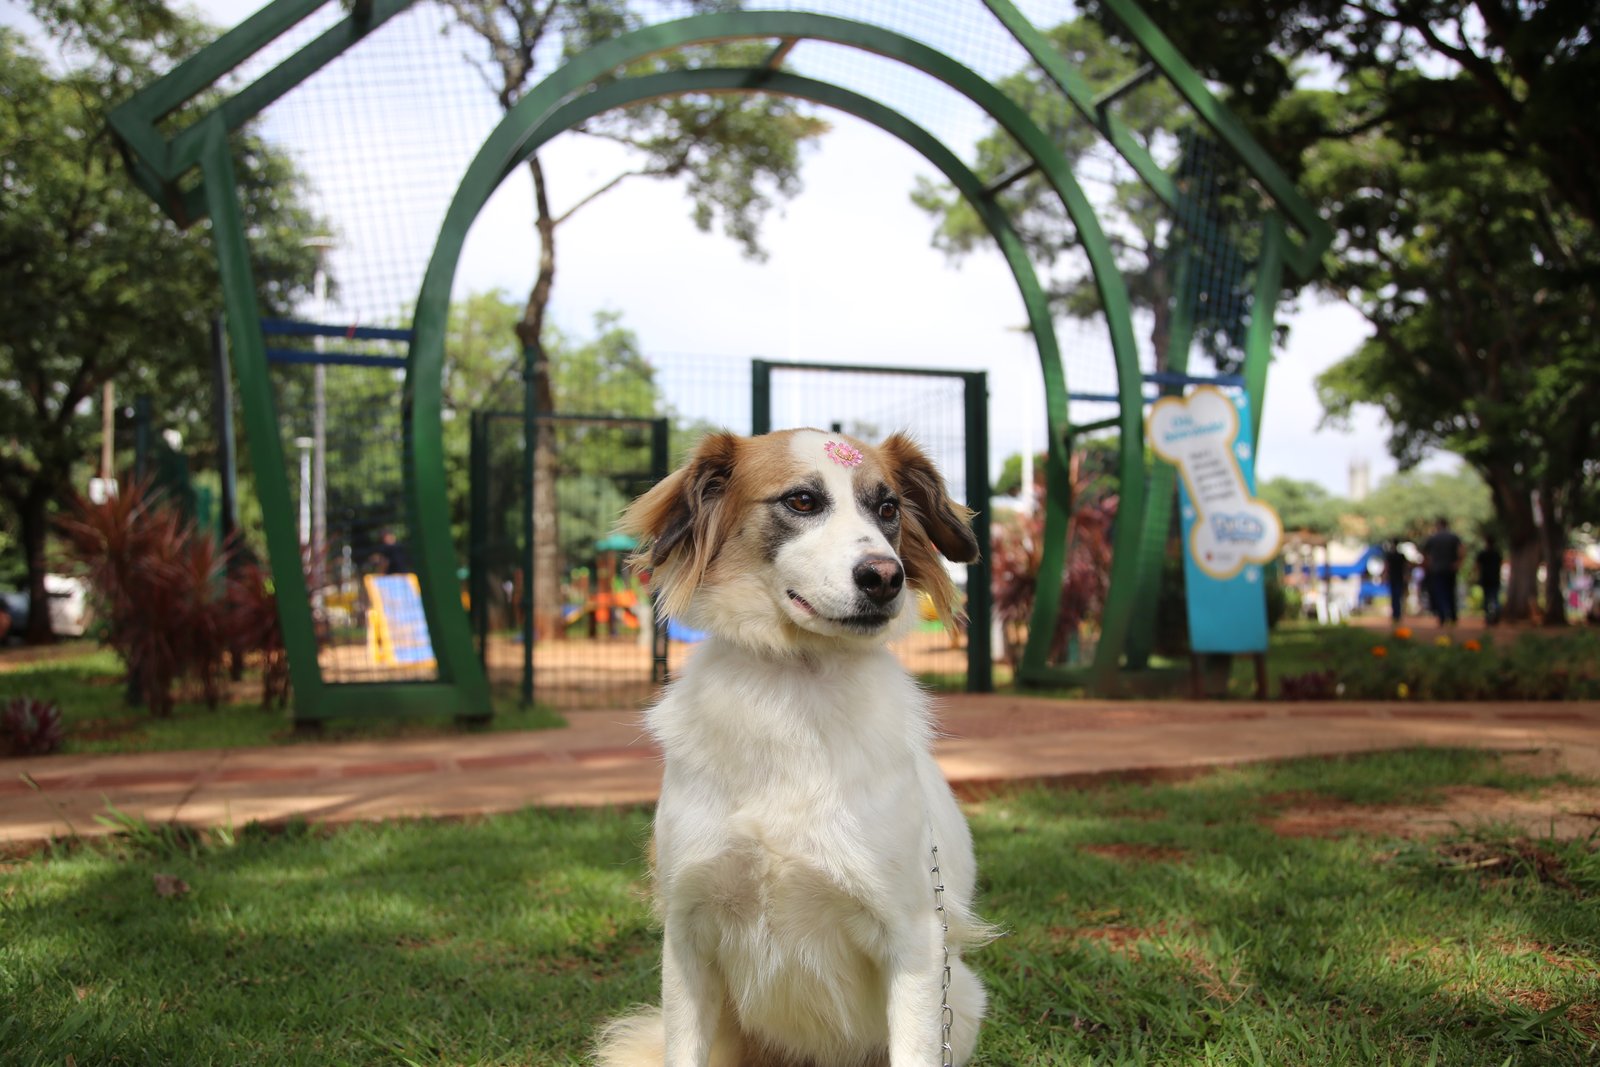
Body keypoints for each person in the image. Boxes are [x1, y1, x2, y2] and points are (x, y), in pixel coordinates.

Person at [1421, 516, 1464, 625]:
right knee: (1451, 592)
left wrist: (1428, 564)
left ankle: (1442, 617)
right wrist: (1458, 563)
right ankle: (1453, 616)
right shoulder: (1453, 537)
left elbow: (1424, 553)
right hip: (1450, 569)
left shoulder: (1433, 538)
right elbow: (1462, 550)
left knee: (1440, 593)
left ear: (1438, 525)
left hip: (1437, 569)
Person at [1475, 538, 1503, 625]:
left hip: (1486, 579)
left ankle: (1489, 616)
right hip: (1495, 579)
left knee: (1487, 599)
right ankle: (1495, 614)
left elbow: (1478, 566)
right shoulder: (1497, 554)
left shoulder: (1483, 554)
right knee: (1495, 598)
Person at [1382, 540, 1409, 624]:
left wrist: (1385, 576)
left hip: (1394, 578)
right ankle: (1397, 614)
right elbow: (1405, 567)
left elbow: (1387, 566)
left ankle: (1396, 614)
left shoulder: (1390, 555)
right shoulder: (1400, 556)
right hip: (1398, 578)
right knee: (1398, 596)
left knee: (1395, 596)